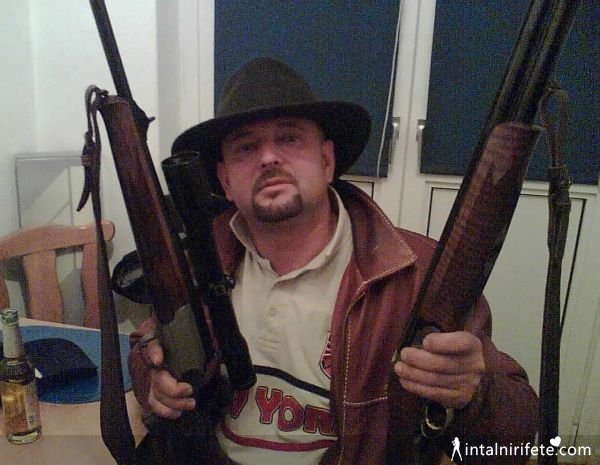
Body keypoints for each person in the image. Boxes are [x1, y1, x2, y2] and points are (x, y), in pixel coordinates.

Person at [128, 57, 538, 465]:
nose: (268, 157)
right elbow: (152, 352)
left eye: (289, 138)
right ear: (225, 181)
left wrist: (473, 393)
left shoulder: (417, 273)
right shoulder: (194, 265)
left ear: (327, 162)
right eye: (246, 147)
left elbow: (516, 435)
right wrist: (155, 382)